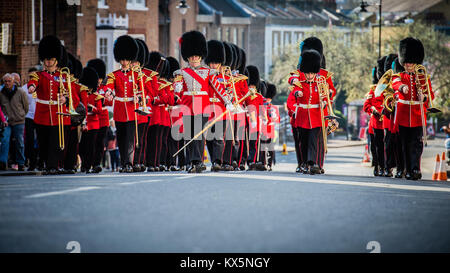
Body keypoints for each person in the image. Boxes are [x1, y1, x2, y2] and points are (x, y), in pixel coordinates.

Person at [173, 30, 224, 173]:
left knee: (199, 135)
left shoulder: (209, 72)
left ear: (201, 56)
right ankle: (193, 162)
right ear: (187, 57)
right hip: (187, 105)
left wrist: (228, 101)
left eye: (196, 56)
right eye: (192, 56)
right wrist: (176, 93)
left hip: (202, 105)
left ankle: (198, 161)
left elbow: (219, 88)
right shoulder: (181, 73)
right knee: (189, 135)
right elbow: (177, 91)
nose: (194, 58)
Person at [391, 37, 435, 180]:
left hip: (417, 115)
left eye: (411, 62)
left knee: (416, 144)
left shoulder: (423, 78)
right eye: (407, 62)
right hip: (403, 115)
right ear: (403, 62)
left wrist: (425, 98)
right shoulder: (400, 75)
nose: (409, 64)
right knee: (403, 144)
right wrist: (402, 87)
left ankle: (415, 169)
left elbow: (430, 95)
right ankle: (406, 169)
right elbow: (395, 84)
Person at [286, 50, 328, 174]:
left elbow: (324, 97)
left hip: (315, 116)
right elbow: (294, 86)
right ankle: (304, 162)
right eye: (308, 73)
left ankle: (312, 163)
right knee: (303, 142)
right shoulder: (301, 82)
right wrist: (297, 93)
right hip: (302, 116)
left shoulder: (320, 82)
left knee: (313, 140)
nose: (310, 75)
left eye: (311, 73)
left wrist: (324, 102)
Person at [0, 73, 29, 171]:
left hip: (19, 121)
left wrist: (21, 115)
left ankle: (21, 163)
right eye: (5, 81)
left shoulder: (20, 92)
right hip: (7, 122)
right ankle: (3, 162)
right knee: (5, 140)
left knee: (19, 142)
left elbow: (26, 106)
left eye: (9, 81)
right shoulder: (1, 92)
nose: (7, 83)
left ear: (13, 81)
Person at [23, 67, 40, 171]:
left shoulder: (41, 87)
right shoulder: (24, 89)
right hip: (29, 116)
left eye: (34, 76)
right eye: (30, 76)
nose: (31, 78)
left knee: (40, 140)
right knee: (29, 140)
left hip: (40, 117)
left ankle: (40, 161)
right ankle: (32, 162)